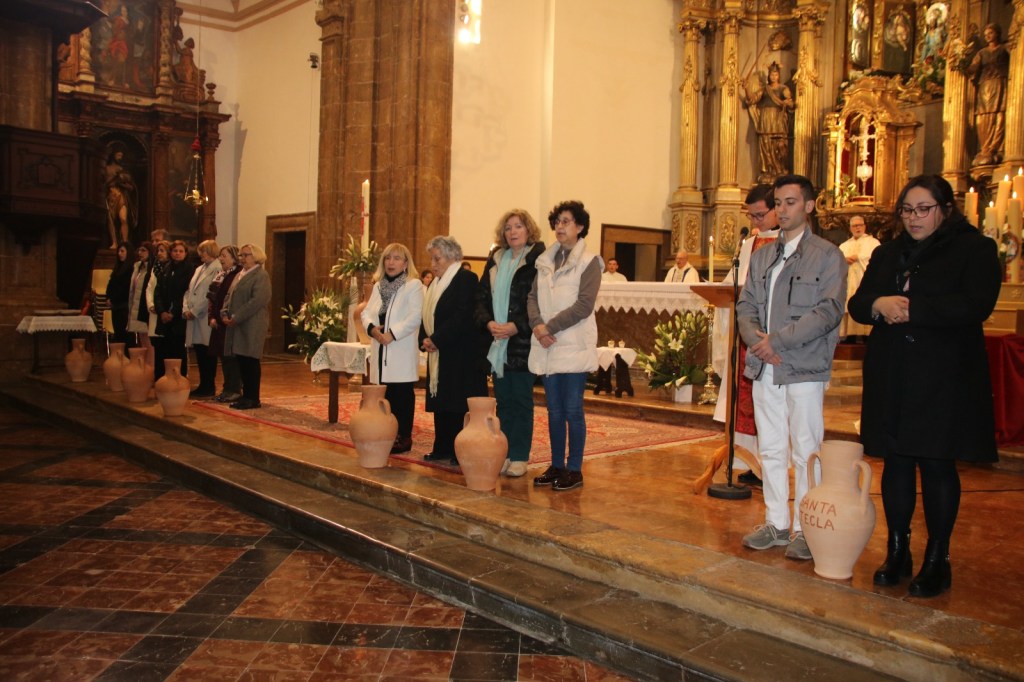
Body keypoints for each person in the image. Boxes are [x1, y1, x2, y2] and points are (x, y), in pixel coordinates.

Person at [849, 175, 1000, 598]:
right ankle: (897, 551)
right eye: (907, 210)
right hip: (893, 373)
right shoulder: (888, 252)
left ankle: (938, 559)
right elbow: (858, 303)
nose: (914, 218)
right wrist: (878, 304)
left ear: (945, 209)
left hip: (943, 376)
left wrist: (914, 309)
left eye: (923, 209)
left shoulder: (974, 248)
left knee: (936, 464)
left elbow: (976, 304)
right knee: (896, 462)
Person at [736, 175, 846, 560]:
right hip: (765, 365)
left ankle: (805, 527)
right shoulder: (763, 255)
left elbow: (828, 311)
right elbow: (746, 305)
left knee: (805, 449)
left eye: (790, 202)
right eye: (778, 203)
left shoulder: (827, 256)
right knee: (770, 448)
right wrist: (757, 340)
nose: (782, 210)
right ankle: (776, 522)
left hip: (803, 366)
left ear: (809, 206)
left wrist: (777, 342)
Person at [528, 200, 601, 491]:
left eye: (566, 221)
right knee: (554, 411)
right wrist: (537, 325)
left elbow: (584, 305)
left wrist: (549, 327)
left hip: (572, 344)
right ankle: (557, 465)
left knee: (572, 409)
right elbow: (532, 298)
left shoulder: (589, 262)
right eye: (557, 221)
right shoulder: (545, 262)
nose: (560, 226)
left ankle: (574, 469)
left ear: (580, 227)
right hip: (548, 344)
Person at [714, 184, 782, 487]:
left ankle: (772, 465)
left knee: (769, 402)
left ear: (777, 209)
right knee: (745, 399)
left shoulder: (787, 242)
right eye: (751, 215)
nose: (755, 222)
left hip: (772, 335)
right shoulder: (749, 243)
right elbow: (735, 282)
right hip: (746, 332)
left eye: (760, 215)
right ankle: (751, 462)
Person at [475, 209, 545, 478]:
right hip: (497, 341)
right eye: (508, 228)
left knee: (521, 400)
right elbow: (481, 298)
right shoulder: (495, 260)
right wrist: (488, 323)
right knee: (503, 401)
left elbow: (540, 301)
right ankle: (505, 452)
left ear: (528, 230)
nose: (513, 232)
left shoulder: (537, 261)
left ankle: (519, 455)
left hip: (522, 341)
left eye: (518, 226)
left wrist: (517, 326)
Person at [419, 236, 488, 464]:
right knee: (441, 401)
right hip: (440, 351)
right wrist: (425, 339)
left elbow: (462, 315)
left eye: (437, 259)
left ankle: (459, 449)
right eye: (432, 259)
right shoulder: (435, 284)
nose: (433, 264)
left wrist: (437, 339)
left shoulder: (466, 279)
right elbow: (427, 315)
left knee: (457, 402)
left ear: (452, 257)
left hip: (460, 352)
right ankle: (442, 446)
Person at [361, 243, 423, 455]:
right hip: (380, 348)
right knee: (383, 396)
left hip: (400, 350)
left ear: (405, 264)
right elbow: (366, 313)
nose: (391, 262)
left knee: (401, 396)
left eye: (396, 258)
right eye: (388, 258)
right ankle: (385, 433)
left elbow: (415, 317)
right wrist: (372, 329)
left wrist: (392, 334)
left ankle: (403, 436)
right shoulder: (378, 286)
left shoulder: (413, 285)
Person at [222, 244, 272, 410]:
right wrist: (224, 312)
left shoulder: (261, 275)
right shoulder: (240, 274)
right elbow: (229, 295)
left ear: (256, 256)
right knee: (242, 360)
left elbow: (257, 301)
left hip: (252, 324)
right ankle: (246, 396)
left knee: (250, 360)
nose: (242, 258)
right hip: (238, 324)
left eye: (246, 255)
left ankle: (253, 398)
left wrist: (237, 317)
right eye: (241, 255)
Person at [742, 62, 794, 184]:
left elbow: (791, 104)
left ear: (778, 75)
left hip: (777, 119)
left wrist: (788, 103)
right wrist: (746, 88)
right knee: (765, 145)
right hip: (765, 120)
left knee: (779, 145)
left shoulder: (783, 89)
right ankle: (768, 171)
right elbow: (752, 99)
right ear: (769, 76)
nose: (773, 77)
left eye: (776, 74)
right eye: (772, 74)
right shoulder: (765, 90)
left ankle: (780, 169)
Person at [965, 23, 1009, 166]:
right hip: (984, 86)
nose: (987, 36)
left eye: (990, 33)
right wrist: (961, 63)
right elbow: (973, 68)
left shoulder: (1005, 49)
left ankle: (995, 147)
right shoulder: (982, 53)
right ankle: (985, 147)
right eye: (985, 34)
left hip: (1000, 83)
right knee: (983, 116)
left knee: (999, 113)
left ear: (997, 33)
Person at [183, 240, 222, 398]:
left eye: (204, 251)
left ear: (211, 251)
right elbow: (189, 291)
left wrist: (195, 310)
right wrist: (186, 308)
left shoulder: (217, 268)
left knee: (207, 352)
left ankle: (209, 385)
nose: (201, 255)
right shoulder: (199, 269)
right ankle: (203, 384)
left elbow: (210, 295)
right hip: (194, 315)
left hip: (205, 315)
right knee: (199, 351)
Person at [154, 240, 195, 381]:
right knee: (164, 349)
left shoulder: (189, 269)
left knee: (178, 349)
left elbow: (185, 293)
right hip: (164, 315)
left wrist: (173, 313)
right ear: (171, 253)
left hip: (178, 317)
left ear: (185, 253)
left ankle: (179, 379)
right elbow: (158, 291)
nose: (178, 253)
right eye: (175, 251)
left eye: (181, 251)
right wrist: (162, 311)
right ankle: (164, 379)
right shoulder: (166, 268)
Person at [207, 245, 243, 403]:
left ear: (234, 258)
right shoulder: (222, 275)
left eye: (224, 256)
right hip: (219, 322)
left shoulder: (237, 275)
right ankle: (227, 388)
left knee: (231, 358)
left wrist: (224, 316)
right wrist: (212, 317)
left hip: (229, 322)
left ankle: (234, 389)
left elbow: (233, 299)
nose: (220, 259)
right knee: (224, 357)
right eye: (220, 256)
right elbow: (214, 299)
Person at [838, 216, 880, 341]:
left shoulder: (873, 243)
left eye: (860, 225)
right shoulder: (844, 245)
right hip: (848, 282)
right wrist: (844, 260)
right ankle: (849, 337)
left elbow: (877, 261)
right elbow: (836, 263)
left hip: (864, 281)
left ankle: (866, 337)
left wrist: (859, 257)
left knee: (864, 304)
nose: (858, 228)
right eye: (854, 226)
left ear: (865, 226)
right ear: (850, 228)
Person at [145, 240, 171, 372]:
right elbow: (150, 288)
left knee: (166, 346)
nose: (159, 253)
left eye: (162, 251)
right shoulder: (155, 267)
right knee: (157, 345)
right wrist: (151, 304)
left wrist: (161, 308)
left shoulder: (170, 268)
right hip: (154, 311)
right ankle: (158, 375)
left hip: (165, 311)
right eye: (158, 251)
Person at [126, 242, 153, 355]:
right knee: (142, 339)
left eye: (144, 250)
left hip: (145, 307)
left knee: (149, 341)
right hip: (136, 306)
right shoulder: (137, 267)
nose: (140, 253)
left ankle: (150, 364)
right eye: (139, 250)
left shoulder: (152, 267)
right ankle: (145, 363)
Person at [105, 241, 134, 345]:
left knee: (125, 335)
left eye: (122, 251)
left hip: (124, 306)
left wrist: (113, 299)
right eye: (119, 251)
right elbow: (110, 284)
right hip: (115, 306)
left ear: (128, 252)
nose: (119, 253)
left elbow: (125, 288)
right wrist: (108, 298)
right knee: (118, 334)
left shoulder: (131, 269)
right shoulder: (118, 268)